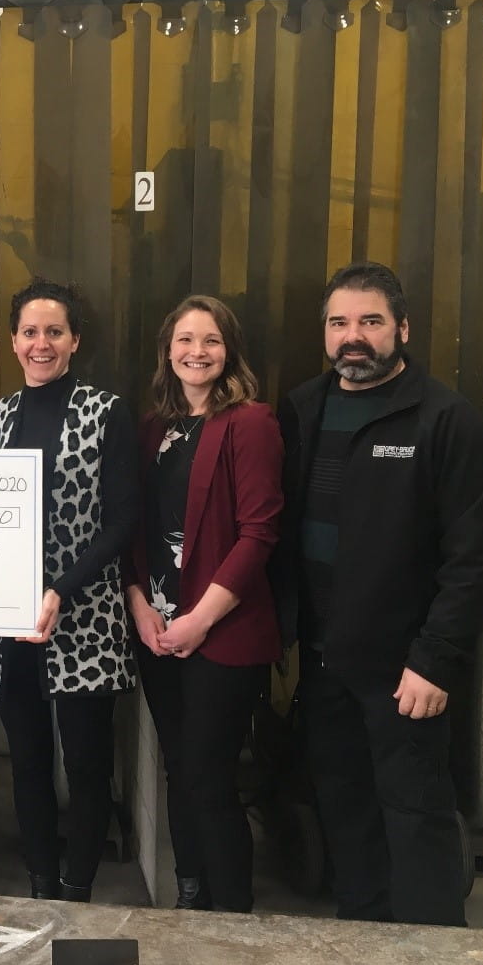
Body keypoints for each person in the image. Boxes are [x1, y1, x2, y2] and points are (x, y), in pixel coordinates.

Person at [279, 262, 483, 927]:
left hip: (403, 668)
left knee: (416, 817)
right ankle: (363, 946)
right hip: (322, 661)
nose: (354, 336)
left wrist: (434, 658)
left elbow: (473, 557)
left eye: (369, 321)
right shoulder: (301, 409)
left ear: (401, 328)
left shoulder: (446, 420)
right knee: (344, 809)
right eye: (339, 323)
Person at [0, 279, 139, 902]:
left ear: (74, 342)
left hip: (85, 615)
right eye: (30, 332)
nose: (41, 343)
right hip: (12, 619)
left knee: (88, 767)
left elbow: (123, 521)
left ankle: (77, 889)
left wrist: (60, 589)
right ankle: (41, 881)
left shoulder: (106, 411)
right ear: (13, 341)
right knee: (27, 763)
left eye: (54, 332)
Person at [124, 296, 282, 914]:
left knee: (209, 779)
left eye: (210, 340)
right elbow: (135, 525)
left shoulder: (250, 423)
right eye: (185, 339)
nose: (197, 352)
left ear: (229, 350)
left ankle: (231, 915)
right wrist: (139, 603)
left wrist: (198, 620)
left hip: (223, 631)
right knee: (179, 774)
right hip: (158, 628)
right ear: (168, 350)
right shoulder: (153, 429)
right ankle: (192, 895)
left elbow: (259, 534)